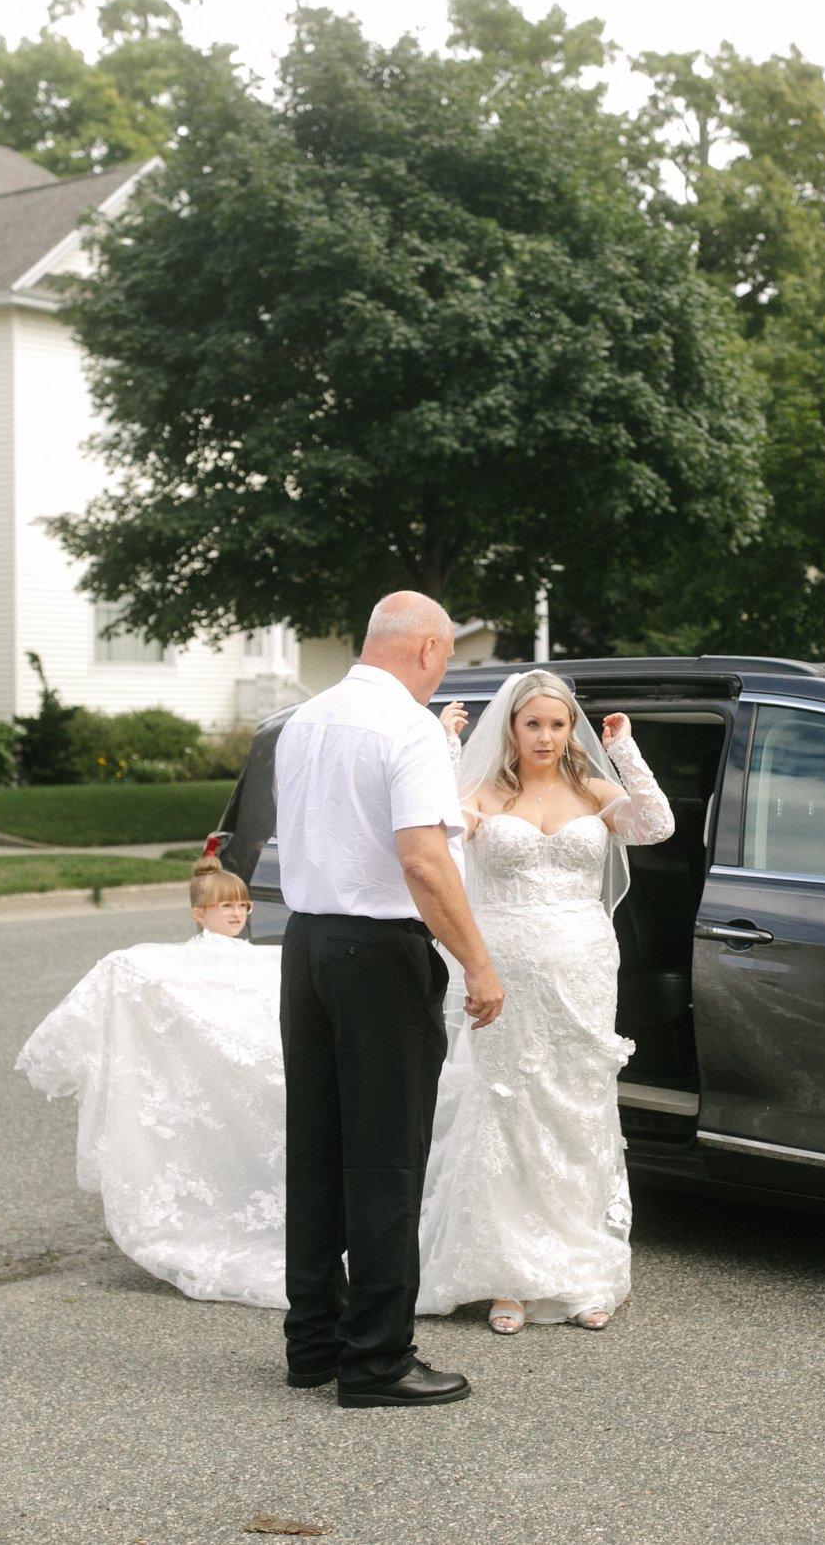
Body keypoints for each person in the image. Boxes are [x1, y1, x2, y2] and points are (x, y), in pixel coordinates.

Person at [273, 591, 504, 1409]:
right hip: (379, 954)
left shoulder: (305, 719)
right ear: (431, 649)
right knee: (384, 1157)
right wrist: (476, 961)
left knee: (318, 1147)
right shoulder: (407, 727)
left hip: (307, 948)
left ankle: (314, 1340)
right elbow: (423, 861)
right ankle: (376, 1359)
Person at [419, 670, 676, 1332]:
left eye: (556, 724)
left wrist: (627, 753)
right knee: (508, 1108)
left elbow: (655, 825)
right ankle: (508, 1275)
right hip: (503, 971)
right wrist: (446, 749)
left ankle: (581, 1269)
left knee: (575, 1109)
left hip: (583, 970)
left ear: (570, 730)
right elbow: (437, 832)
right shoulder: (482, 792)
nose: (544, 735)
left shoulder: (592, 789)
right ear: (511, 727)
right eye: (532, 723)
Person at [13, 856, 285, 1308]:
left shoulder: (258, 960)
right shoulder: (182, 963)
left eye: (243, 906)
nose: (236, 914)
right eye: (225, 907)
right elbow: (140, 971)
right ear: (200, 915)